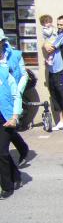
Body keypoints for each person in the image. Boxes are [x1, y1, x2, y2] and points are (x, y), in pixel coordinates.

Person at [0, 30, 29, 166]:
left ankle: (21, 149)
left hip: (13, 93)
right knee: (7, 126)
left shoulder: (15, 55)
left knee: (8, 124)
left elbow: (24, 75)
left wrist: (18, 91)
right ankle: (22, 149)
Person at [44, 15, 63, 133]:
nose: (59, 26)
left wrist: (45, 44)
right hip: (52, 70)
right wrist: (45, 44)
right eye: (58, 24)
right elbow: (45, 45)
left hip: (61, 71)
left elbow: (49, 48)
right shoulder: (56, 35)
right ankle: (60, 122)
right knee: (55, 96)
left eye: (61, 24)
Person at [0, 57, 21, 199]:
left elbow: (17, 96)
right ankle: (16, 174)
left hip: (6, 119)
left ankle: (7, 187)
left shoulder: (6, 73)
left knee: (1, 152)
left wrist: (14, 118)